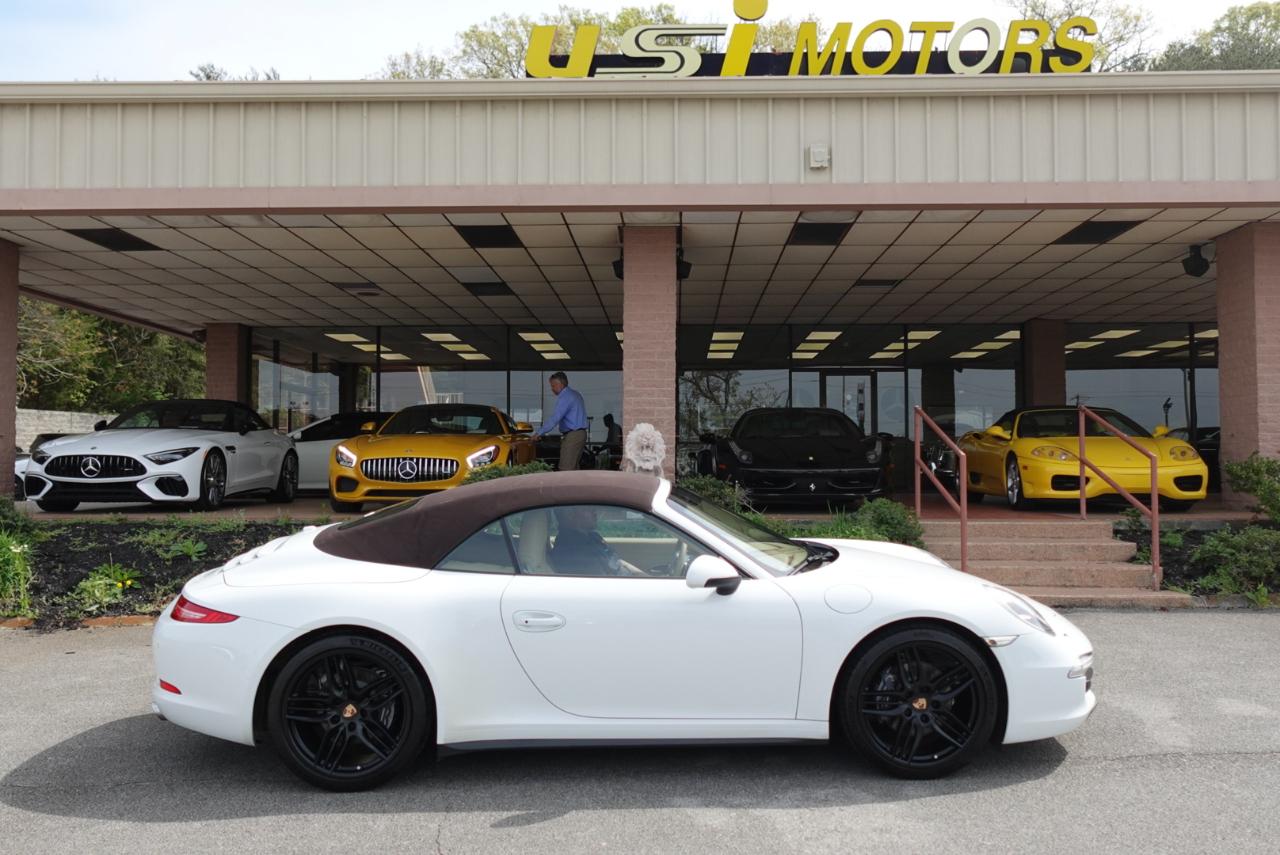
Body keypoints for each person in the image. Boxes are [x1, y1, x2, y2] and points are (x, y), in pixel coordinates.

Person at [549, 506, 645, 576]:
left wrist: (643, 576)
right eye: (588, 509)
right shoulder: (572, 551)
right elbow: (603, 584)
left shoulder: (592, 536)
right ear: (569, 515)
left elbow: (617, 562)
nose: (595, 512)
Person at [533, 371, 589, 471]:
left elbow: (555, 418)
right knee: (574, 468)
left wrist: (538, 433)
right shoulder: (576, 394)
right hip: (580, 434)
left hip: (573, 435)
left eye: (553, 385)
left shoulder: (565, 397)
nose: (552, 389)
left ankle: (566, 487)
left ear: (561, 385)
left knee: (565, 468)